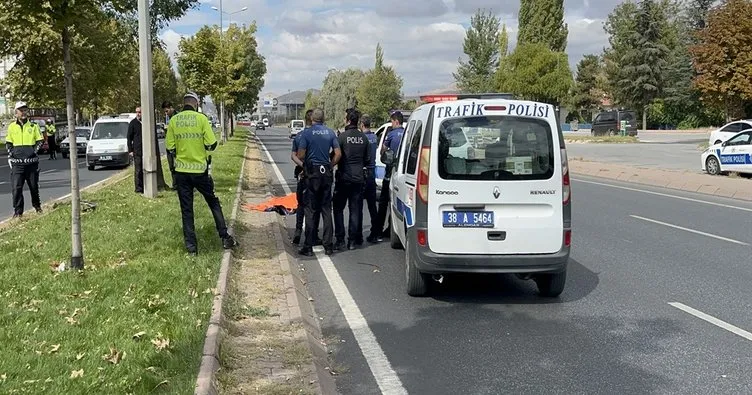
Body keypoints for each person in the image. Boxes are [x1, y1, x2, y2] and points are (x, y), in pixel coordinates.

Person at [166, 92, 237, 255]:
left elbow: (170, 148)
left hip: (182, 172)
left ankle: (192, 249)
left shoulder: (174, 121)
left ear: (183, 104)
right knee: (213, 202)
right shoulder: (202, 119)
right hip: (200, 171)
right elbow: (212, 144)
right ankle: (224, 236)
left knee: (187, 210)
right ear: (196, 104)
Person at [296, 108, 341, 256]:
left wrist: (307, 162)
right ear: (323, 118)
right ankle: (328, 245)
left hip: (312, 173)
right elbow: (338, 154)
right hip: (326, 172)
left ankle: (308, 246)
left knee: (310, 210)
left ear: (312, 119)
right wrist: (330, 165)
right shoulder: (330, 132)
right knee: (326, 210)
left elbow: (301, 154)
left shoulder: (307, 133)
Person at [332, 108, 370, 250]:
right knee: (355, 210)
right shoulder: (363, 138)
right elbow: (367, 159)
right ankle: (352, 241)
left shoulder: (342, 137)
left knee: (338, 208)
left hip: (343, 178)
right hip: (358, 178)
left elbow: (335, 156)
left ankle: (340, 239)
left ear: (348, 120)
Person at [4, 101, 44, 217]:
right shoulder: (12, 127)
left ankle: (37, 207)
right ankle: (18, 213)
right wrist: (13, 154)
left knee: (33, 187)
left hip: (31, 164)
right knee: (16, 188)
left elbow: (40, 141)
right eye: (21, 110)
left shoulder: (33, 126)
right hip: (17, 164)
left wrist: (32, 152)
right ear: (16, 113)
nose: (23, 112)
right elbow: (8, 143)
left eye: (25, 110)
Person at [370, 111, 405, 242]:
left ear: (396, 121)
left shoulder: (391, 135)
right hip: (402, 173)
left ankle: (378, 230)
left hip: (390, 172)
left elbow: (383, 149)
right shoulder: (407, 133)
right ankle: (393, 228)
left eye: (392, 122)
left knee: (384, 202)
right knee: (396, 203)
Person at [291, 109, 320, 245]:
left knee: (301, 204)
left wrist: (302, 166)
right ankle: (313, 234)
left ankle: (298, 231)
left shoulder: (299, 136)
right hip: (316, 174)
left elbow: (293, 156)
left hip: (302, 174)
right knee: (314, 205)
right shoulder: (318, 135)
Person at [358, 114, 378, 241]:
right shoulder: (375, 137)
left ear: (361, 125)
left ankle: (358, 234)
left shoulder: (362, 138)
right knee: (372, 205)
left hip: (363, 172)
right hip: (372, 172)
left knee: (358, 204)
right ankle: (375, 232)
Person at [162, 101, 178, 190]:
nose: (166, 113)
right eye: (164, 111)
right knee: (171, 167)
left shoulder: (176, 117)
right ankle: (175, 184)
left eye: (167, 111)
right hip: (169, 146)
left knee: (177, 167)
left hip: (175, 146)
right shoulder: (168, 118)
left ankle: (178, 184)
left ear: (171, 108)